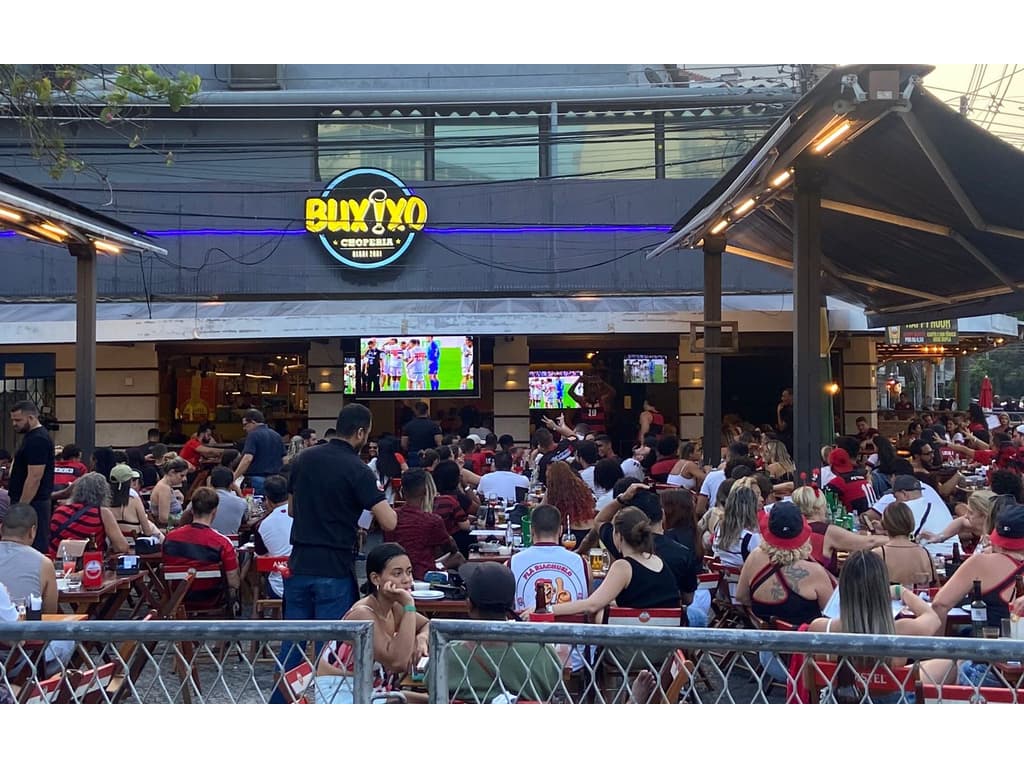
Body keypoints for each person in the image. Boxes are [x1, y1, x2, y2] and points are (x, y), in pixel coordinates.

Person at [283, 404, 398, 641]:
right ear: (360, 433)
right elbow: (389, 522)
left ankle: (287, 678)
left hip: (299, 561)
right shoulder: (359, 469)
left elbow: (292, 510)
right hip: (334, 564)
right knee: (332, 644)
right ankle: (326, 679)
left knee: (293, 641)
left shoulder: (303, 459)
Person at [806, 550, 939, 699]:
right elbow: (933, 618)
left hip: (839, 702)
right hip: (891, 704)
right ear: (882, 589)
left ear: (843, 588)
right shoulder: (901, 630)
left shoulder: (821, 629)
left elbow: (807, 682)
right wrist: (902, 591)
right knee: (953, 663)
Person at [313, 543, 431, 704]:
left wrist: (422, 639)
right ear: (376, 578)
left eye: (409, 572)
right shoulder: (363, 613)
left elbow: (427, 625)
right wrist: (409, 605)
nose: (407, 580)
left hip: (375, 689)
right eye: (397, 573)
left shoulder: (393, 607)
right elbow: (398, 663)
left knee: (438, 701)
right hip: (341, 691)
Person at [524, 507, 679, 621]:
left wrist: (545, 609)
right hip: (667, 642)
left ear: (617, 535)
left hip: (635, 646)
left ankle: (592, 660)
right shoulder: (658, 560)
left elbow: (591, 604)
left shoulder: (623, 567)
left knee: (599, 610)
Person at [442, 562, 563, 703]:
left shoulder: (446, 655)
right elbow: (556, 687)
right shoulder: (543, 653)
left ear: (469, 605)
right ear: (512, 603)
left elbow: (430, 684)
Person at [736, 502, 834, 627]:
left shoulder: (755, 557)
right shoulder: (815, 572)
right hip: (804, 643)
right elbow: (832, 615)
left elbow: (741, 597)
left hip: (762, 641)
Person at [162, 487, 240, 609]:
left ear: (192, 510)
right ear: (215, 511)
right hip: (212, 599)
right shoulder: (222, 543)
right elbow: (233, 582)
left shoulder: (170, 538)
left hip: (179, 598)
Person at [791, 485, 885, 577]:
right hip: (823, 587)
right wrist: (894, 538)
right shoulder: (827, 531)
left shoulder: (792, 529)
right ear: (820, 506)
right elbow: (869, 542)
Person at [510, 504, 589, 612]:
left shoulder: (512, 564)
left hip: (529, 628)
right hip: (572, 628)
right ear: (561, 530)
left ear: (531, 530)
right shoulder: (582, 563)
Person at [384, 469, 462, 578]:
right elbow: (449, 548)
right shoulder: (432, 520)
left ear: (402, 491)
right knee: (458, 557)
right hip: (424, 573)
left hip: (395, 571)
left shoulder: (391, 518)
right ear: (425, 491)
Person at [8, 400, 54, 553]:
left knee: (32, 548)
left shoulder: (38, 439)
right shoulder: (30, 437)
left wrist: (22, 507)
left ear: (31, 418)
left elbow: (34, 477)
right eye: (13, 420)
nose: (14, 424)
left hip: (34, 503)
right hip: (29, 501)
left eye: (18, 420)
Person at [47, 472, 129, 558]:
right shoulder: (102, 513)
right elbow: (122, 547)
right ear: (104, 493)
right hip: (89, 564)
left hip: (56, 562)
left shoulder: (60, 510)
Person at [0, 503, 59, 613]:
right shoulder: (44, 563)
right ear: (32, 531)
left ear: (1, 528)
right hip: (24, 628)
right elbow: (50, 615)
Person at [870, 501, 936, 586]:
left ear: (884, 524)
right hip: (918, 598)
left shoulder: (877, 555)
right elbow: (934, 588)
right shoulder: (925, 554)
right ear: (911, 522)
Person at [919, 489, 997, 553]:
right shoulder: (984, 527)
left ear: (984, 516)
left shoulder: (995, 544)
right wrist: (940, 537)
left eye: (971, 513)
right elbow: (961, 522)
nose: (966, 516)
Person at [252, 475, 291, 599]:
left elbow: (261, 556)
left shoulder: (263, 525)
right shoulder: (305, 516)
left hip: (278, 586)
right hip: (307, 581)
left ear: (267, 499)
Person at [543, 460, 595, 546]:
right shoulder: (581, 486)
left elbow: (541, 511)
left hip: (569, 535)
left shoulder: (552, 492)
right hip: (589, 530)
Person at [233, 409, 283, 495]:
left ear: (253, 422)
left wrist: (234, 477)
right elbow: (284, 459)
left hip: (257, 479)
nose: (244, 428)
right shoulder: (277, 435)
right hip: (275, 480)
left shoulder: (253, 435)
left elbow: (247, 459)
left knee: (256, 506)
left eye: (245, 425)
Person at [108, 464, 163, 541]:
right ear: (128, 482)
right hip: (136, 544)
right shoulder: (134, 500)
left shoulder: (105, 502)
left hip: (113, 544)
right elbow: (147, 531)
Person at [432, 460, 474, 559]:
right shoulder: (452, 500)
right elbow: (465, 525)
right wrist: (466, 486)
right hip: (452, 539)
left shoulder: (431, 499)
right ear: (456, 479)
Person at [712, 484, 762, 568]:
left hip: (723, 577)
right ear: (751, 509)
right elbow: (759, 565)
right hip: (744, 578)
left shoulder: (719, 528)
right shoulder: (751, 537)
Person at [208, 466, 247, 536]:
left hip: (203, 541)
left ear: (211, 483)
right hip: (230, 542)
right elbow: (245, 521)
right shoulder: (241, 502)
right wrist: (239, 492)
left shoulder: (201, 498)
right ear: (231, 484)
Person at [401, 402, 442, 467]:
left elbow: (403, 444)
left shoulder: (408, 426)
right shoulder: (434, 426)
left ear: (415, 411)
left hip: (414, 455)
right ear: (427, 411)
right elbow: (439, 442)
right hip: (431, 455)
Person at [150, 457, 188, 527]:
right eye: (182, 475)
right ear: (172, 472)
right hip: (170, 528)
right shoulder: (164, 489)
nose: (184, 479)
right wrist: (185, 521)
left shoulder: (166, 486)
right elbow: (163, 519)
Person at [368, 436, 406, 505]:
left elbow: (364, 473)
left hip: (378, 500)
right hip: (392, 500)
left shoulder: (375, 462)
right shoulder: (396, 463)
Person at [776, 388, 794, 454]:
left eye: (784, 396)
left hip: (789, 440)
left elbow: (782, 428)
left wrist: (778, 412)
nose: (782, 399)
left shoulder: (789, 411)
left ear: (791, 396)